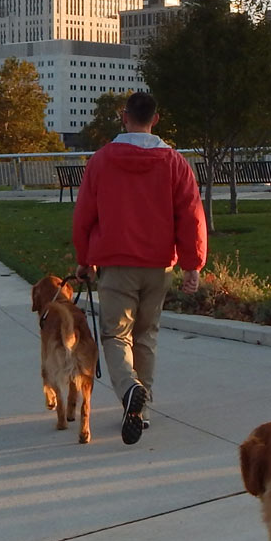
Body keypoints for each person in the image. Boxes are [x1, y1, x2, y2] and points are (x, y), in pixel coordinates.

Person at [72, 91, 207, 445]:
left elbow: (85, 214)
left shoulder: (101, 161)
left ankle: (129, 389)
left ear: (124, 116)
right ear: (156, 119)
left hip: (116, 263)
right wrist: (193, 264)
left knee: (116, 335)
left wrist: (85, 259)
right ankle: (141, 409)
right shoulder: (175, 162)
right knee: (146, 335)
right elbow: (191, 215)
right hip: (159, 263)